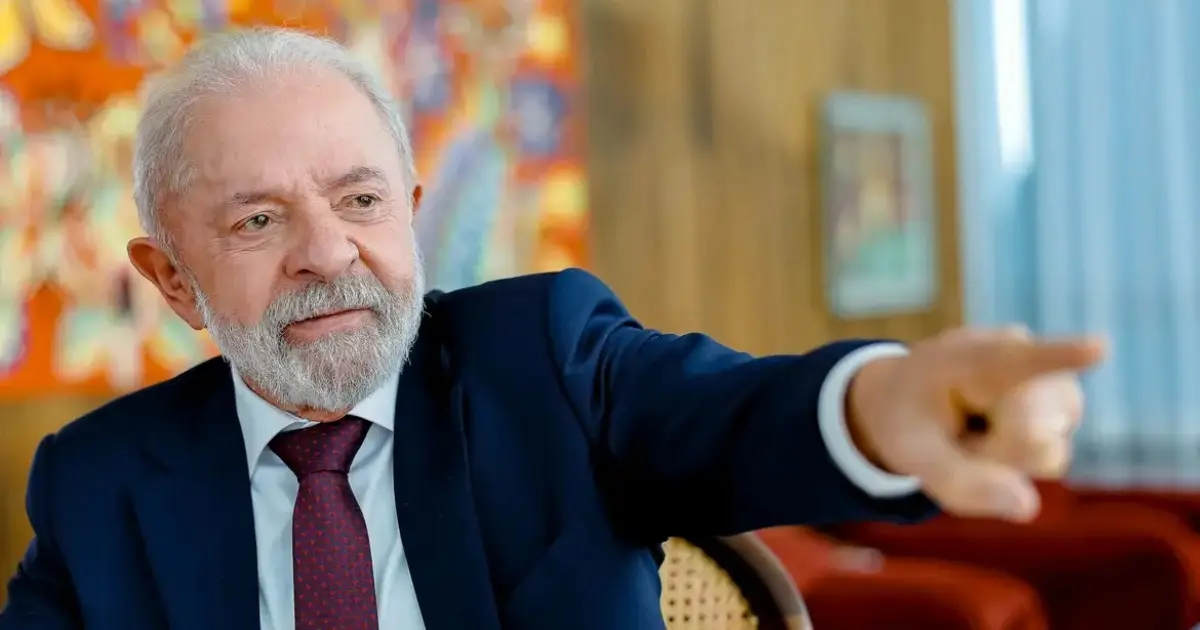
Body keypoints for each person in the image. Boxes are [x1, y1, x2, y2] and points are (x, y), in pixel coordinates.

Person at [0, 27, 1103, 630]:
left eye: (361, 199)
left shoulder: (542, 361)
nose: (328, 252)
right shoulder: (96, 481)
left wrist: (881, 407)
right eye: (257, 220)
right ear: (173, 279)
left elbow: (735, 418)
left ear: (411, 211)